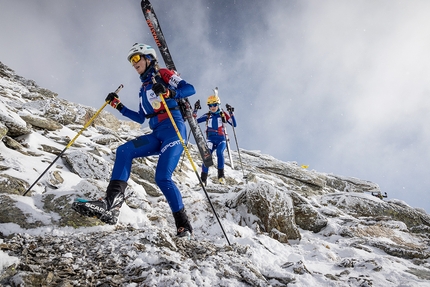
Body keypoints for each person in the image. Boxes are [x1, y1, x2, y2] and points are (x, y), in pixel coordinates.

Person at [72, 43, 194, 238]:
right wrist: (118, 106)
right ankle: (110, 205)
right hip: (156, 134)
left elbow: (189, 88)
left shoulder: (163, 73)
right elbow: (139, 117)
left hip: (173, 130)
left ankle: (184, 225)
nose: (133, 63)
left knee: (162, 177)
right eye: (131, 60)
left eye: (136, 58)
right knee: (124, 150)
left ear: (148, 58)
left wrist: (170, 92)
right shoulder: (143, 89)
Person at [193, 94, 236, 185]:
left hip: (221, 139)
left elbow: (234, 124)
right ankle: (203, 179)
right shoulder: (208, 115)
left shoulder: (223, 114)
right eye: (210, 105)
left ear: (218, 104)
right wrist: (195, 110)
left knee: (219, 152)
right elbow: (194, 122)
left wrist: (231, 113)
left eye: (214, 105)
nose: (212, 107)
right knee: (207, 155)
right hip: (210, 140)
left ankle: (221, 176)